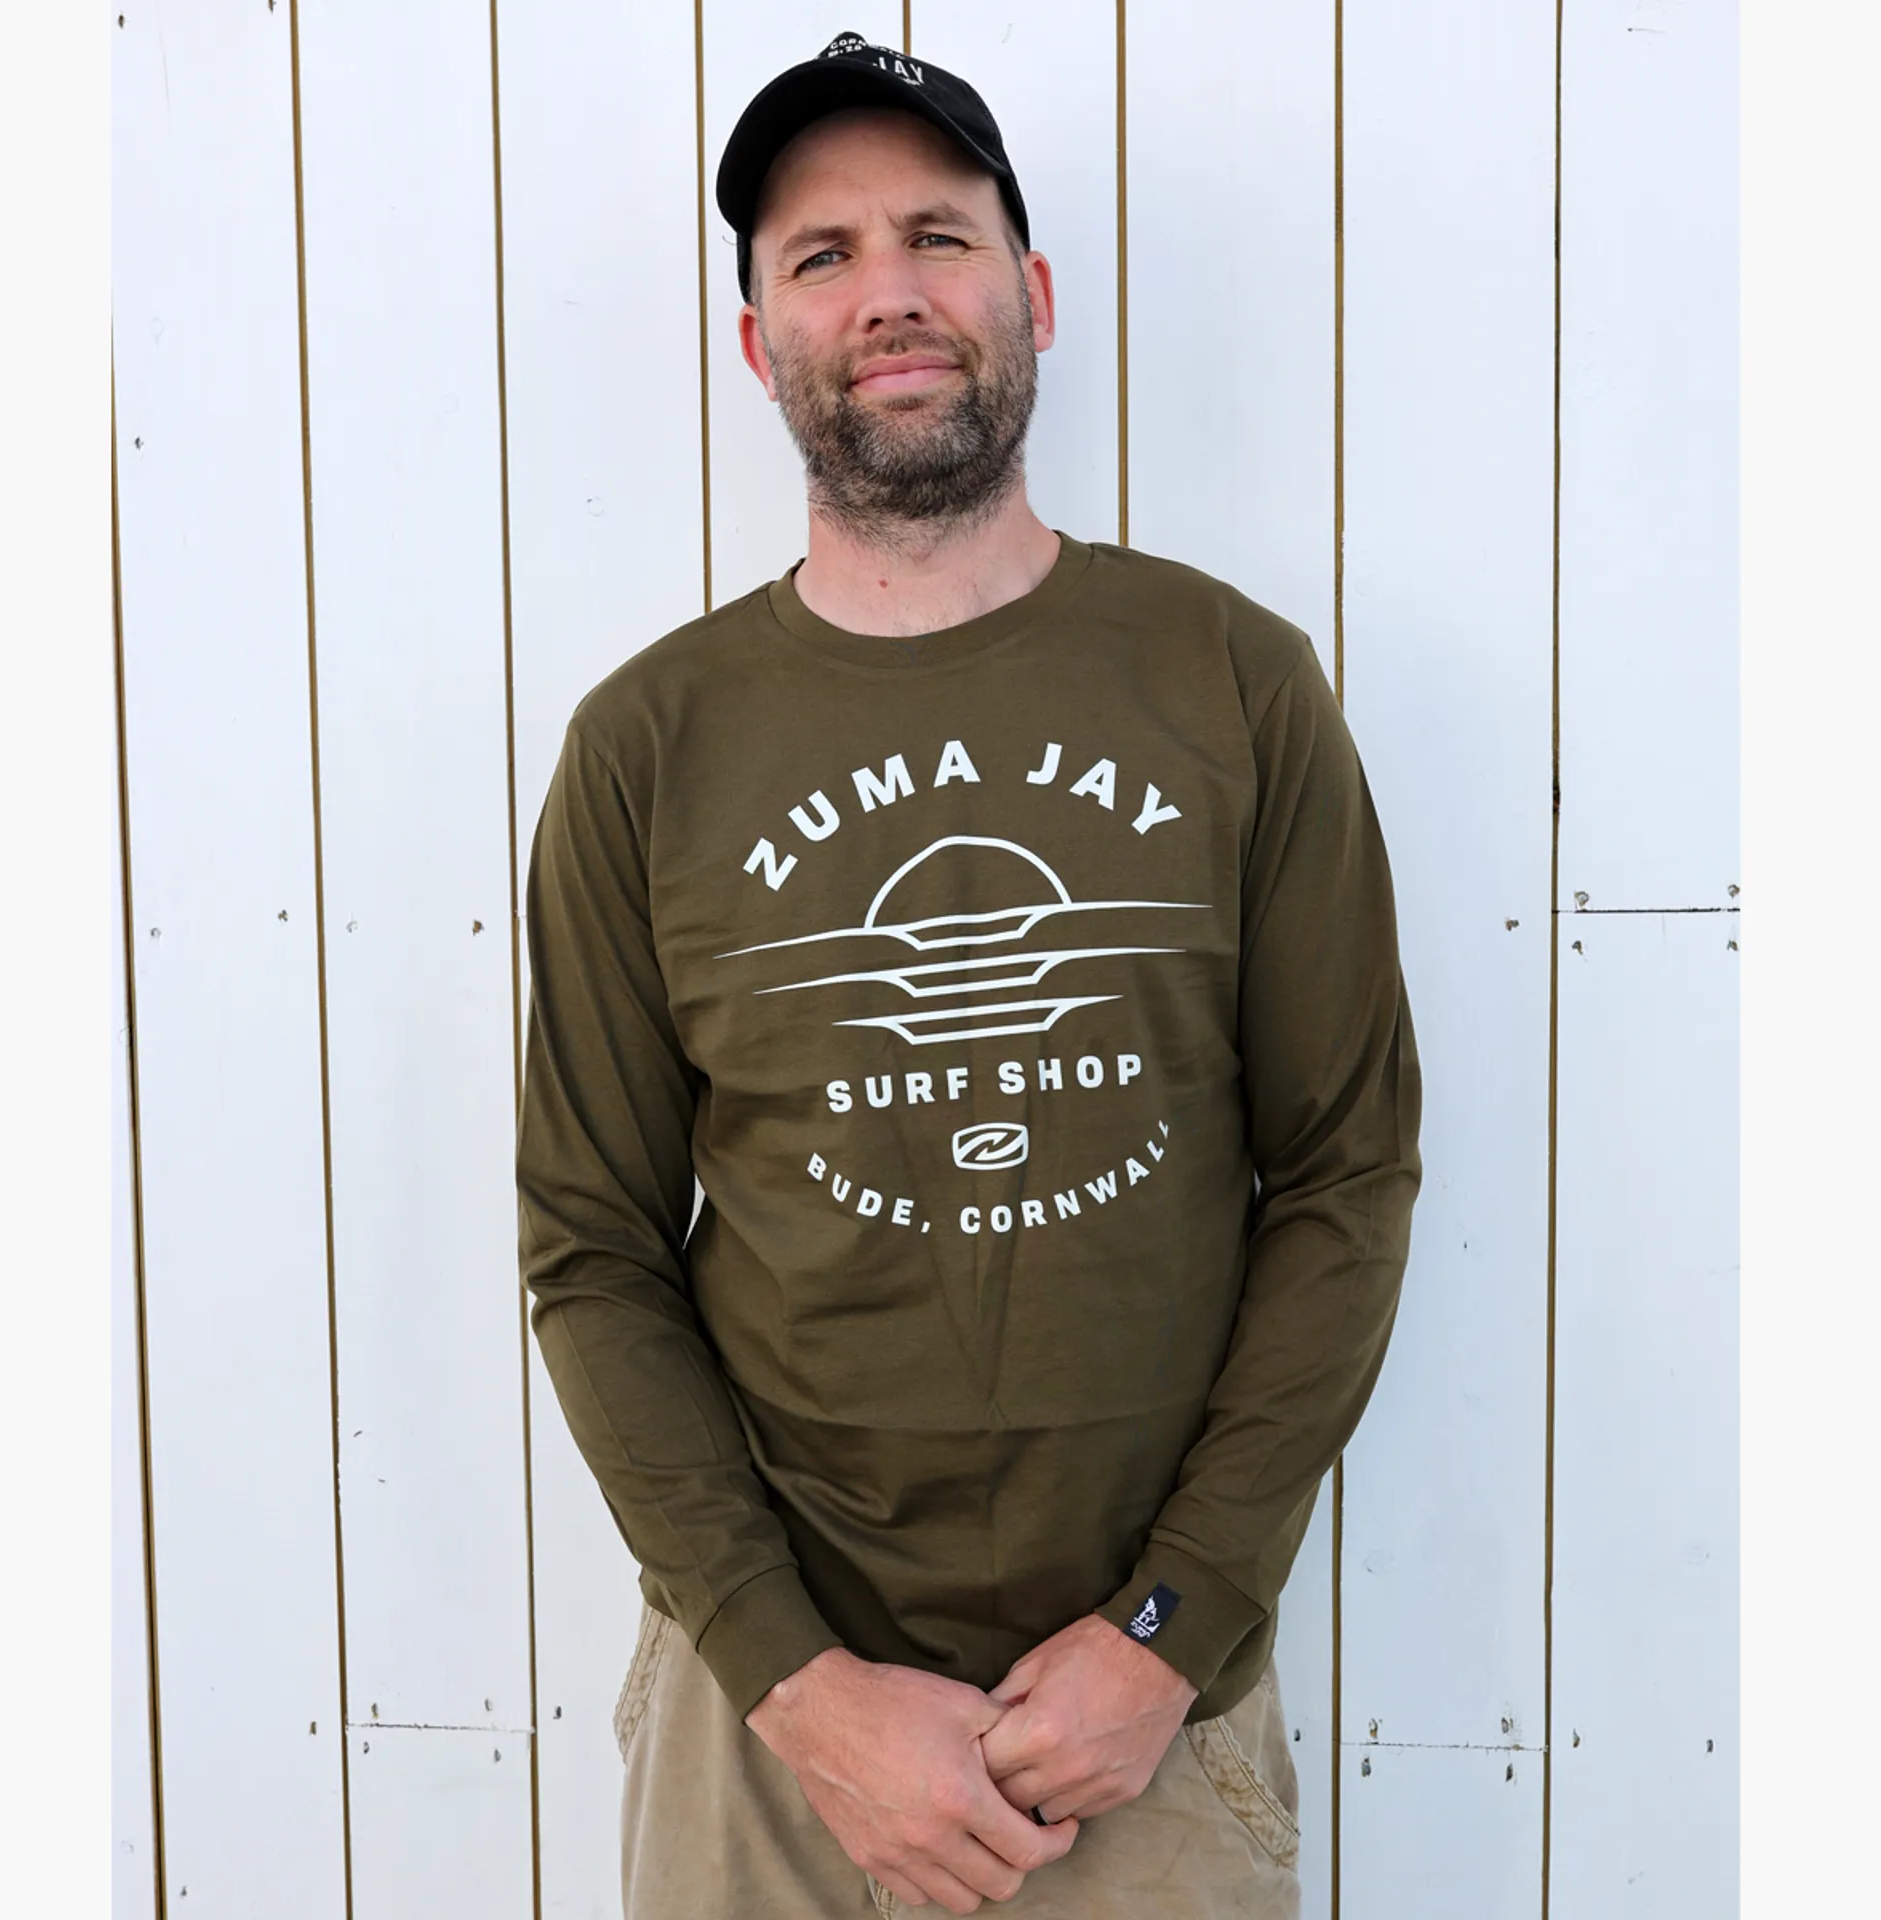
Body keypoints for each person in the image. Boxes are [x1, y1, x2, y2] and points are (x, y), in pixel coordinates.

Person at [517, 31, 1422, 1918]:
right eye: (821, 254)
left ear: (1035, 296)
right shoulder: (645, 747)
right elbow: (592, 1246)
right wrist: (793, 1677)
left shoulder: (1236, 685)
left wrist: (1170, 1631)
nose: (890, 292)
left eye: (939, 235)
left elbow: (1345, 1174)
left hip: (1148, 1722)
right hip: (766, 1732)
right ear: (758, 341)